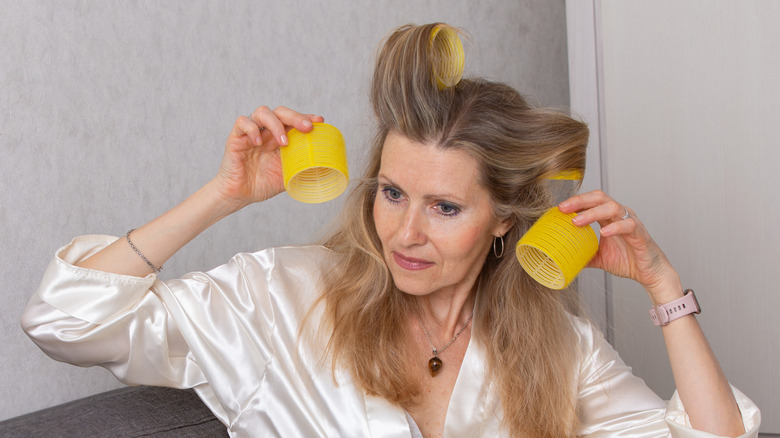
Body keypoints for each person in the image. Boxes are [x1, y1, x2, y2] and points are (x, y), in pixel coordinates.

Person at [22, 23, 759, 437]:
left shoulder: (554, 348)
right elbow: (64, 320)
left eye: (444, 208)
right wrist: (222, 195)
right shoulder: (284, 297)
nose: (405, 232)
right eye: (392, 192)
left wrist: (663, 286)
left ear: (504, 219)